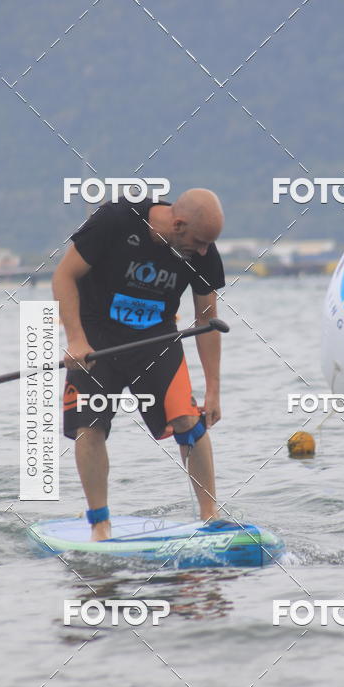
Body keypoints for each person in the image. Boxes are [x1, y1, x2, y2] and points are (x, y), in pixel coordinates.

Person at [52, 187, 226, 540]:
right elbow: (63, 277)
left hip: (154, 340)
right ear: (177, 223)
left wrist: (213, 390)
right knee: (91, 426)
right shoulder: (116, 221)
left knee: (188, 421)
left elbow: (207, 319)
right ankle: (100, 524)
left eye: (209, 244)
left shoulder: (203, 250)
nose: (204, 251)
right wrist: (75, 340)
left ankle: (211, 515)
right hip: (96, 338)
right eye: (198, 242)